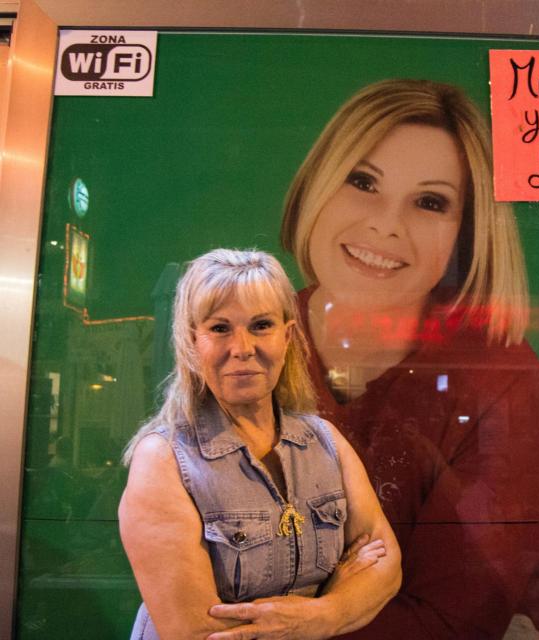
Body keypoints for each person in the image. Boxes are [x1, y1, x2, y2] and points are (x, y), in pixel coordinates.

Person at [281, 79, 539, 639]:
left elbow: (451, 620)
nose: (386, 224)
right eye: (363, 181)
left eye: (430, 202)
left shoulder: (497, 373)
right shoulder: (251, 337)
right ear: (317, 184)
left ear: (466, 233)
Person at [119, 248, 401, 640]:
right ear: (192, 341)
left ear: (287, 336)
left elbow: (385, 565)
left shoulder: (325, 440)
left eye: (261, 325)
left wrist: (324, 614)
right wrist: (340, 602)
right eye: (220, 328)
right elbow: (197, 632)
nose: (242, 348)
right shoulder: (162, 458)